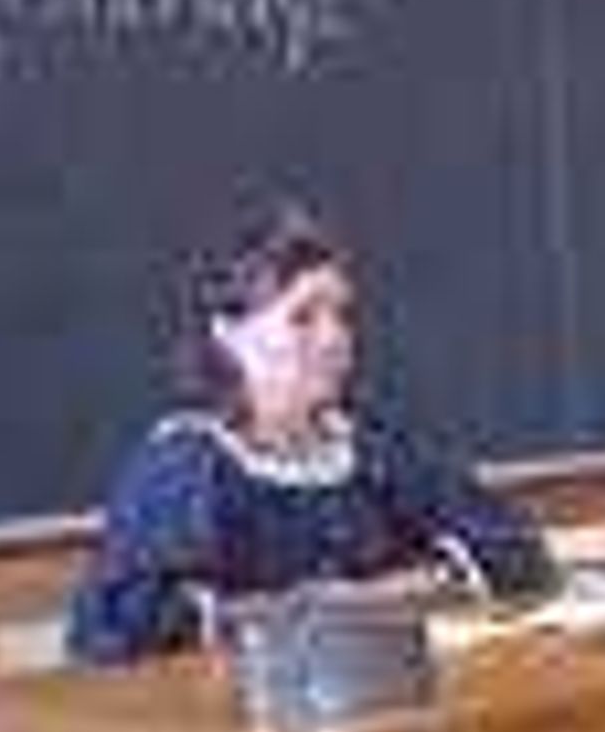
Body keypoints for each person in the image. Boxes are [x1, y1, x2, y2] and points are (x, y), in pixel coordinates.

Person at [63, 201, 554, 664]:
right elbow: (115, 634)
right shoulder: (188, 466)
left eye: (341, 315)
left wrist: (370, 600)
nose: (333, 338)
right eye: (303, 318)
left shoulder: (371, 451)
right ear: (229, 334)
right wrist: (316, 611)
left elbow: (516, 553)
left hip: (375, 696)